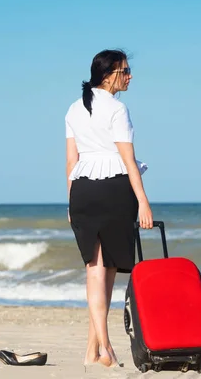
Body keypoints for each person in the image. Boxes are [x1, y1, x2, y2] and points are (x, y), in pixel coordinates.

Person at [65, 49, 153, 368]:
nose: (130, 76)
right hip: (114, 190)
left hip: (83, 191)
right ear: (108, 74)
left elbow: (71, 162)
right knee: (108, 270)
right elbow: (128, 160)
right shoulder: (118, 108)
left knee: (95, 270)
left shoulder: (74, 109)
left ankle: (92, 349)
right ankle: (107, 348)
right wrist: (143, 201)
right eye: (125, 70)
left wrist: (71, 201)